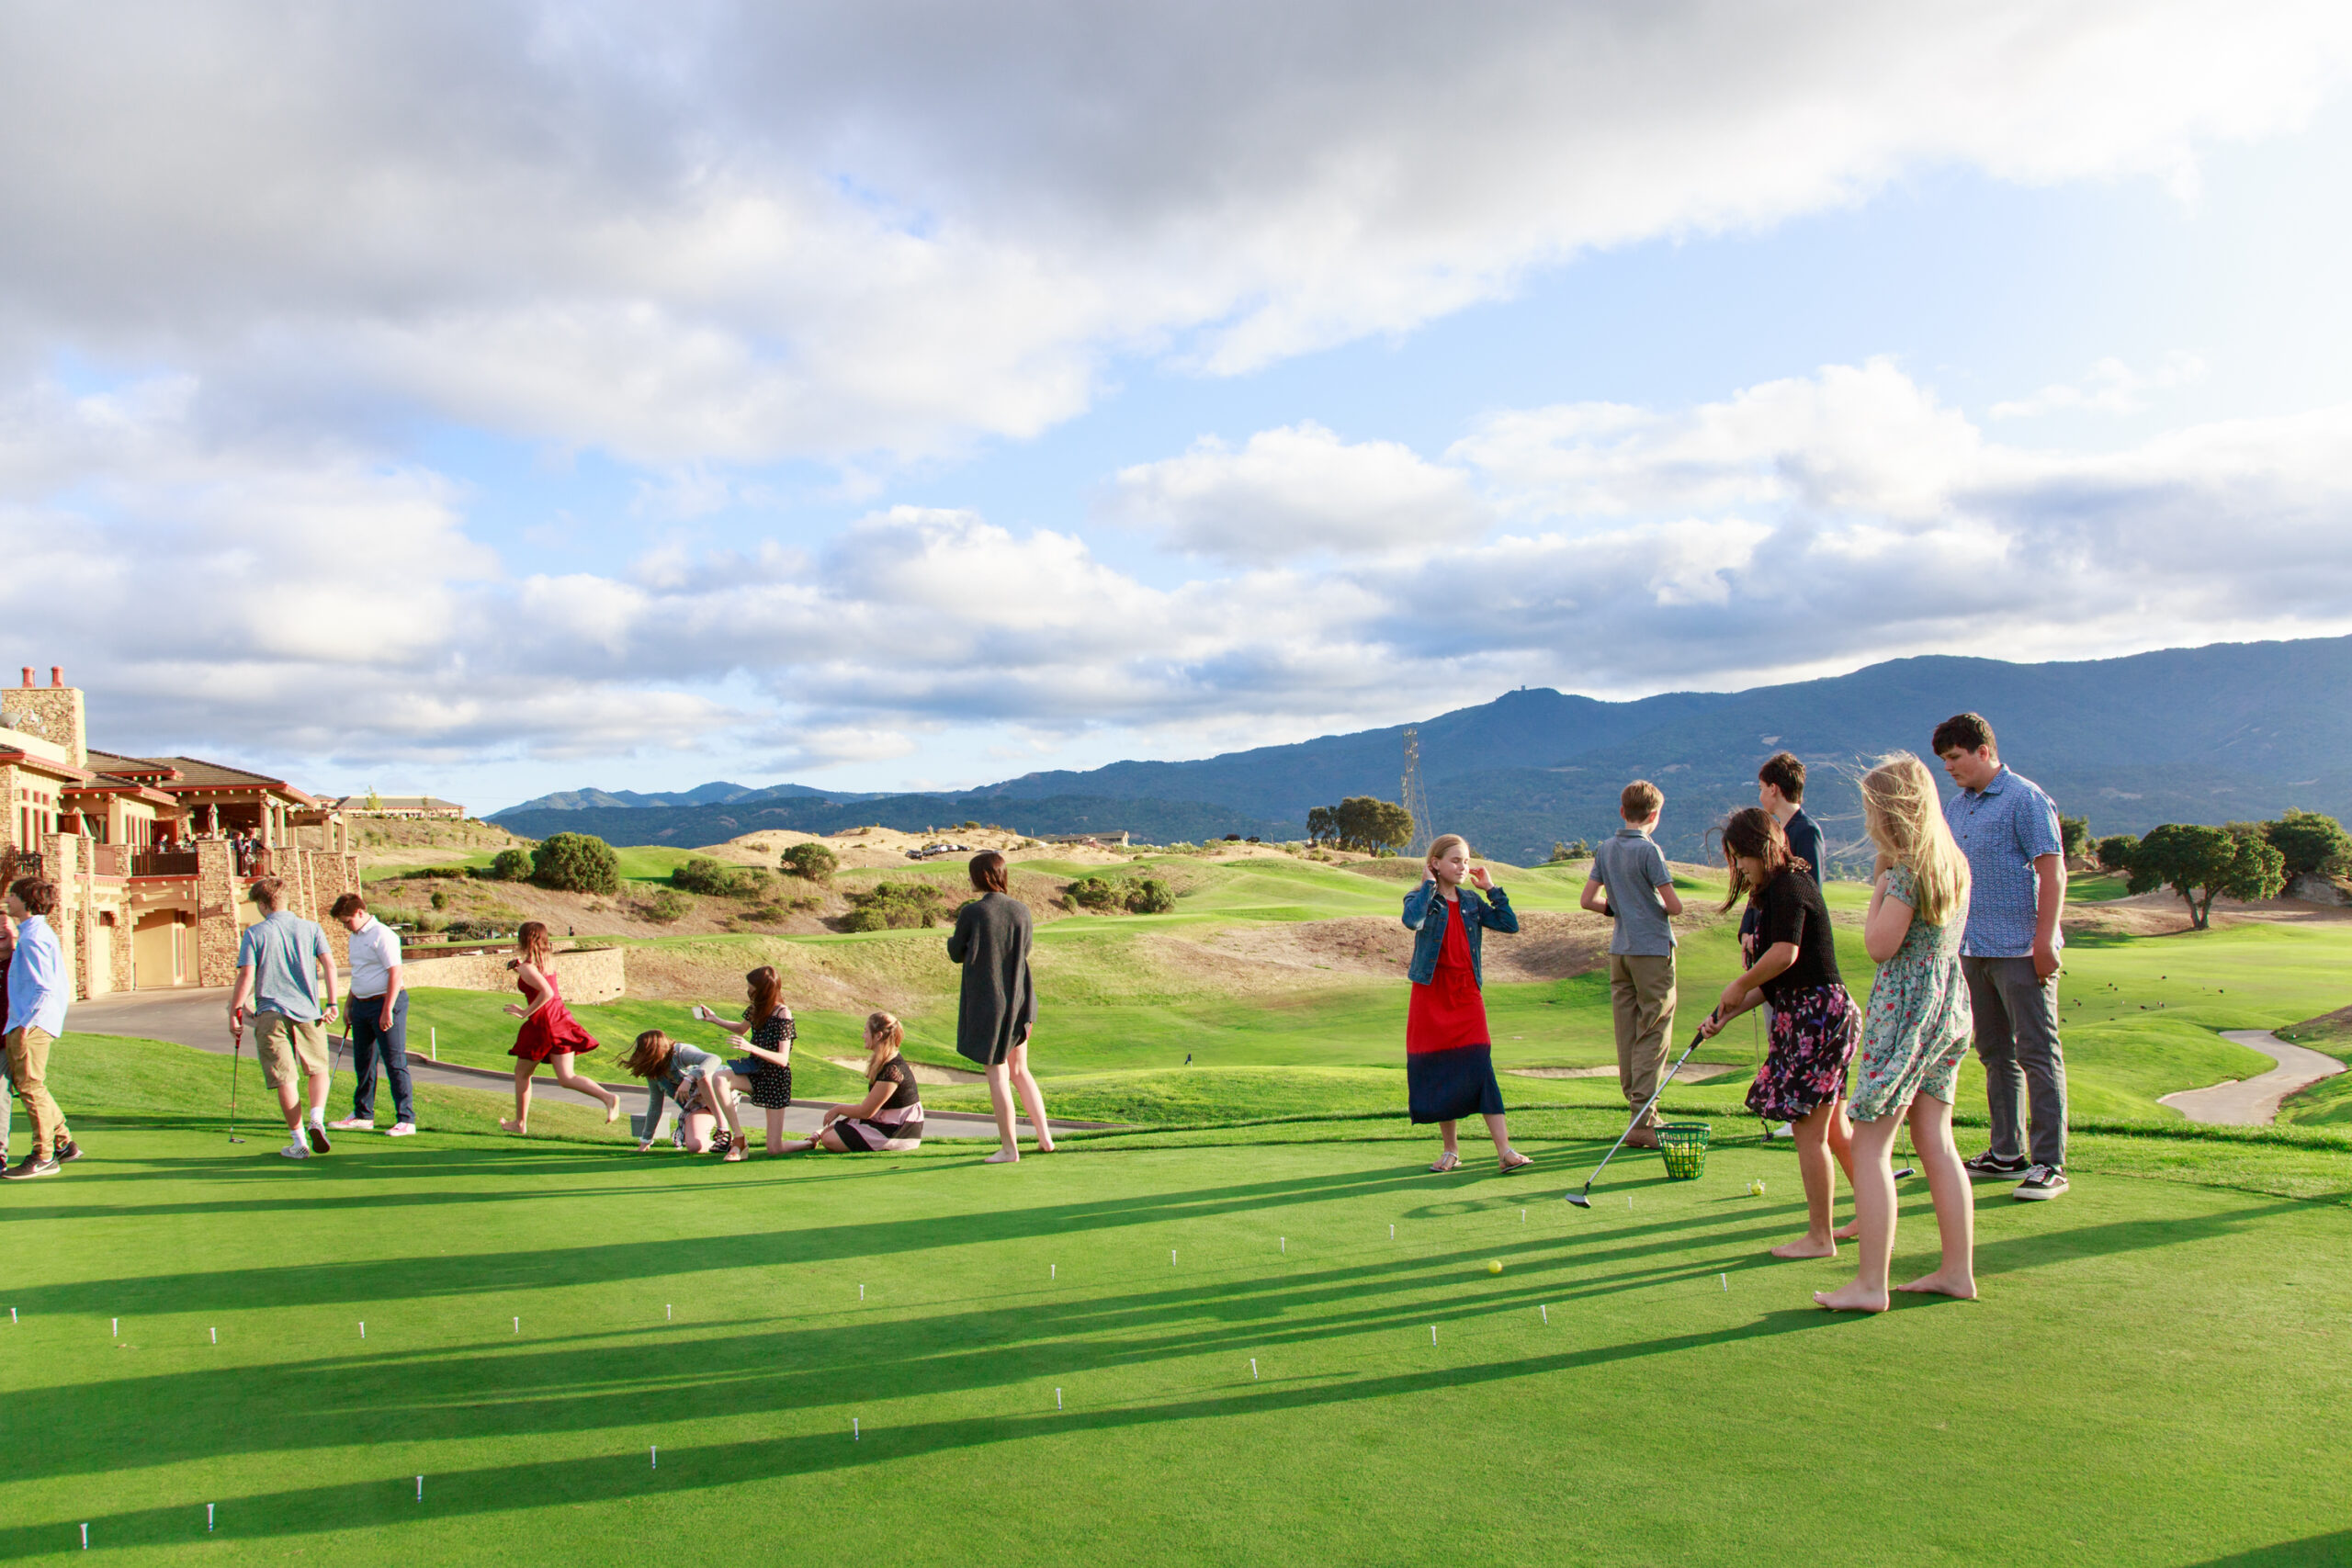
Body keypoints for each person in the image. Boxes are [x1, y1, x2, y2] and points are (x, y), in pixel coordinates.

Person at [1815, 755, 1978, 1311]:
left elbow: (1880, 946)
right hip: (1949, 1006)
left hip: (1905, 1012)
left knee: (1869, 1147)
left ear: (1889, 812)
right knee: (1936, 1139)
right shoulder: (1953, 863)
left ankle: (1869, 1285)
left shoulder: (1906, 872)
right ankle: (1957, 1271)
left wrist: (1879, 888)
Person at [1700, 809, 1858, 1257]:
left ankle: (1820, 1238)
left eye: (1741, 857)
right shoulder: (1775, 891)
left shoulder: (1791, 885)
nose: (1739, 867)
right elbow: (1775, 982)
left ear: (1761, 849)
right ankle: (1869, 1212)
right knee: (1835, 1132)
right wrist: (1727, 1012)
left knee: (1810, 1131)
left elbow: (1785, 955)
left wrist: (1739, 983)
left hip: (1817, 1017)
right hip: (1809, 1012)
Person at [1934, 712, 2070, 1201]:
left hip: (2020, 947)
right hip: (1972, 948)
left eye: (1955, 757)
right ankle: (2007, 1152)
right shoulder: (1958, 807)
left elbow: (2052, 872)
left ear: (1983, 751)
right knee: (1994, 1053)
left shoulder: (2026, 799)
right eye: (1945, 759)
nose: (1949, 767)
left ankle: (2050, 1162)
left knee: (2037, 1051)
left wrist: (2045, 940)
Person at [1402, 834, 1532, 1175]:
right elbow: (1412, 921)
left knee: (1481, 1067)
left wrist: (1492, 889)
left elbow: (1509, 924)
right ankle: (1450, 1151)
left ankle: (1504, 1151)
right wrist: (1428, 887)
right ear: (1435, 864)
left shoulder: (1472, 902)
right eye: (1455, 861)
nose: (1463, 867)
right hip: (1432, 995)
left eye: (1466, 860)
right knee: (1443, 1069)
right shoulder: (1419, 898)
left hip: (1466, 996)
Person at [1581, 781, 1685, 1149]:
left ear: (1622, 811)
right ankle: (1643, 1116)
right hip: (1653, 950)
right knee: (1653, 1031)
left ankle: (1638, 1108)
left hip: (1619, 950)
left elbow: (1587, 899)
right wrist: (1648, 906)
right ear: (1654, 816)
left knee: (1627, 1030)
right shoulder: (1649, 850)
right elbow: (1674, 907)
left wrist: (1620, 907)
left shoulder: (1605, 848)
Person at [1740, 752, 1826, 1137]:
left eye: (1761, 788)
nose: (1760, 795)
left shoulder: (1806, 832)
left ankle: (1797, 1112)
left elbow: (1805, 896)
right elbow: (1760, 891)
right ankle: (1791, 1108)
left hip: (1796, 960)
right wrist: (1748, 928)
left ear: (1774, 788)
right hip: (1769, 940)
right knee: (1780, 1028)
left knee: (1793, 1033)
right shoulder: (1777, 832)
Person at [226, 876, 342, 1161]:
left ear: (264, 904)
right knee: (317, 1068)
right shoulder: (312, 928)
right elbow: (329, 964)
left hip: (271, 1012)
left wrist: (235, 1009)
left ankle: (299, 1141)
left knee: (285, 1077)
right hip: (309, 1011)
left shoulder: (255, 933)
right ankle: (317, 1118)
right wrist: (333, 1002)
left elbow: (247, 975)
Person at [947, 852, 1052, 1163]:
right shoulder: (1022, 910)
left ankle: (1009, 1148)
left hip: (988, 1003)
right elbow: (1026, 950)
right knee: (1021, 1071)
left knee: (998, 1074)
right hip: (1022, 1000)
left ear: (979, 877)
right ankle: (1045, 1139)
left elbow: (956, 952)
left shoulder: (973, 913)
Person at [501, 920, 621, 1134]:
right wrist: (520, 966)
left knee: (522, 1074)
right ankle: (608, 1097)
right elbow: (542, 983)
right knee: (566, 1077)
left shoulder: (528, 968)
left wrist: (524, 1012)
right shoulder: (545, 962)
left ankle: (520, 1123)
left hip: (543, 1023)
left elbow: (545, 992)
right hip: (560, 1018)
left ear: (524, 939)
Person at [1, 879, 75, 1179]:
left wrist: (25, 1023)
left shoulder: (33, 938)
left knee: (31, 1087)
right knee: (32, 1085)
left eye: (13, 895)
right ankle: (63, 1143)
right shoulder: (35, 932)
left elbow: (43, 986)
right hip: (32, 1023)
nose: (8, 900)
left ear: (26, 900)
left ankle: (43, 1155)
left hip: (30, 1025)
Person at [326, 893, 415, 1136]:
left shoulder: (383, 935)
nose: (346, 926)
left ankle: (406, 1119)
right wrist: (348, 1005)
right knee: (363, 1062)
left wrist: (387, 1009)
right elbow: (360, 973)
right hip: (361, 1005)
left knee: (394, 1061)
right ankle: (363, 1114)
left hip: (386, 1004)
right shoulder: (355, 938)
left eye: (347, 921)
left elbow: (395, 973)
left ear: (360, 913)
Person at [778, 1012, 925, 1154]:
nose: (863, 1036)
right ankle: (813, 1139)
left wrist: (838, 1109)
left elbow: (866, 1111)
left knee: (830, 1139)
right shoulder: (884, 1062)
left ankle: (817, 1139)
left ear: (878, 1036)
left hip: (898, 1130)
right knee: (828, 1132)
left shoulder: (893, 1070)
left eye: (866, 1031)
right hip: (885, 1120)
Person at [695, 965, 795, 1156]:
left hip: (775, 1079)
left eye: (751, 987)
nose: (748, 991)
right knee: (719, 1078)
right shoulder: (756, 1009)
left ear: (763, 989)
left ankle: (809, 1142)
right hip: (755, 1071)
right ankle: (739, 1139)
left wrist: (750, 1048)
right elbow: (741, 1029)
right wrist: (714, 1019)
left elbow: (783, 1060)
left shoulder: (783, 1014)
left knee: (774, 1148)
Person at [626, 1030, 745, 1159]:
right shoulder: (654, 1073)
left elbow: (713, 1059)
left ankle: (723, 1130)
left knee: (703, 1077)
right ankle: (726, 1145)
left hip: (719, 1093)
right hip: (699, 1105)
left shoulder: (680, 1052)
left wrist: (689, 1079)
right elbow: (655, 1107)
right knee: (695, 1146)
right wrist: (646, 1140)